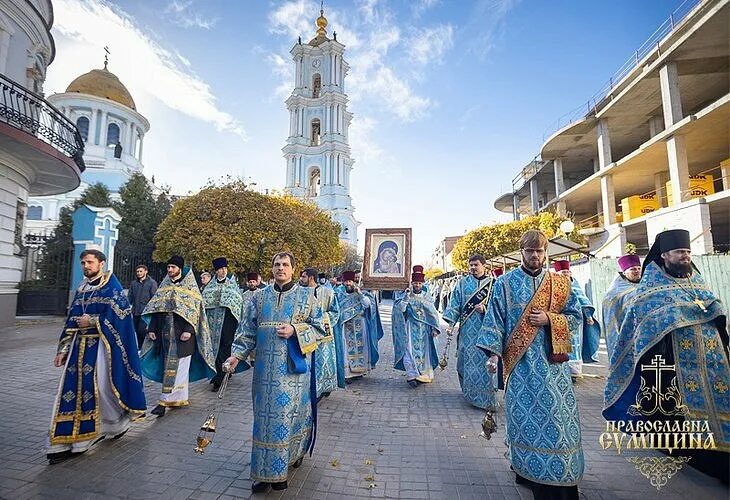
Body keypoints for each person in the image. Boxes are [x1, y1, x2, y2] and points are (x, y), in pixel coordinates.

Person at [603, 229, 729, 483]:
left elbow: (714, 306)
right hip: (673, 363)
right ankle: (696, 455)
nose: (685, 256)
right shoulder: (649, 289)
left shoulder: (697, 280)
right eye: (680, 252)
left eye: (688, 252)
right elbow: (641, 324)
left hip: (712, 359)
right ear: (664, 255)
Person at [478, 229, 584, 499]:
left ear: (545, 252)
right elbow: (494, 319)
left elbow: (576, 317)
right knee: (524, 421)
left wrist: (551, 320)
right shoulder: (504, 284)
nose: (535, 256)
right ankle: (526, 470)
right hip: (520, 366)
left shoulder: (559, 284)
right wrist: (492, 353)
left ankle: (561, 472)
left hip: (552, 365)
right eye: (529, 251)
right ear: (521, 253)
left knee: (558, 419)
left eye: (539, 251)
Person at [225, 253, 325, 493]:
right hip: (263, 372)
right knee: (263, 420)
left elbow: (321, 330)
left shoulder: (307, 296)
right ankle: (263, 472)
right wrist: (236, 355)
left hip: (293, 373)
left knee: (288, 418)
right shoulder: (258, 298)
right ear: (271, 269)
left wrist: (296, 329)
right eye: (276, 265)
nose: (281, 268)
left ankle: (284, 467)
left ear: (293, 269)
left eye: (285, 265)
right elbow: (246, 331)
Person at [47, 249, 146, 464]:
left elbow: (121, 317)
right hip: (78, 346)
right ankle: (68, 438)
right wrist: (62, 350)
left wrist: (93, 321)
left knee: (101, 388)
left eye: (90, 262)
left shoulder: (112, 286)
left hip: (102, 346)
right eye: (83, 263)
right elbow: (71, 318)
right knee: (70, 390)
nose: (85, 266)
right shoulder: (82, 288)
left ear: (101, 263)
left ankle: (114, 423)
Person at [140, 256, 215, 417]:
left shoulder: (190, 288)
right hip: (165, 335)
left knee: (177, 369)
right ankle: (179, 398)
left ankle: (163, 401)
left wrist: (189, 330)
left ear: (180, 268)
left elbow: (195, 312)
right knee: (173, 369)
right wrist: (152, 328)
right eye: (168, 267)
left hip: (183, 335)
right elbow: (156, 309)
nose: (169, 270)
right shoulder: (164, 286)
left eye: (173, 267)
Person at [442, 254, 497, 410]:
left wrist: (485, 308)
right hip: (467, 332)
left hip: (487, 332)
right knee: (465, 363)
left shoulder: (494, 284)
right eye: (471, 265)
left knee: (485, 365)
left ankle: (486, 399)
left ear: (484, 265)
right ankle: (470, 394)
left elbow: (500, 308)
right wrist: (451, 324)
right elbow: (455, 304)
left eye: (476, 265)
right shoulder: (462, 283)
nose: (473, 267)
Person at [552, 260, 600, 378]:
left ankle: (575, 372)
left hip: (576, 321)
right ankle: (562, 369)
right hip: (559, 321)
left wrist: (588, 315)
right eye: (564, 272)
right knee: (561, 345)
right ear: (558, 273)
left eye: (568, 271)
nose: (566, 274)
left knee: (576, 345)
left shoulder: (574, 283)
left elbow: (582, 300)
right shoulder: (553, 284)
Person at [392, 272, 440, 387]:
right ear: (412, 283)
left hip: (425, 328)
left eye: (419, 283)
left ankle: (423, 375)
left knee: (425, 353)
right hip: (410, 327)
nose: (417, 285)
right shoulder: (405, 295)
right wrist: (406, 298)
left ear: (422, 283)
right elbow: (400, 310)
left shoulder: (427, 296)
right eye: (415, 283)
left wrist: (435, 328)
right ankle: (411, 375)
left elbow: (433, 313)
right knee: (408, 350)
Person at [203, 257, 244, 391]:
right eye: (221, 269)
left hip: (228, 322)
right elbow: (204, 302)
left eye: (225, 269)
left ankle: (219, 378)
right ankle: (218, 373)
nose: (223, 271)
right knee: (214, 347)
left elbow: (238, 302)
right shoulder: (210, 286)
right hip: (213, 322)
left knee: (225, 348)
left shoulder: (232, 285)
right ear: (216, 271)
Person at [335, 271, 383, 381]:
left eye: (350, 281)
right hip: (346, 326)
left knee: (362, 347)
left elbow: (367, 305)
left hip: (360, 325)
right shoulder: (339, 294)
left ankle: (359, 371)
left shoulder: (361, 292)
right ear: (343, 282)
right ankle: (348, 374)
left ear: (353, 282)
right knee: (347, 349)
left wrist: (360, 294)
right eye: (346, 281)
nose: (348, 284)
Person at [301, 268, 342, 397]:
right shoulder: (298, 293)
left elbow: (335, 312)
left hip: (323, 334)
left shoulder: (328, 292)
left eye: (303, 277)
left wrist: (318, 320)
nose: (301, 279)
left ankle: (323, 387)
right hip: (304, 334)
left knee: (323, 361)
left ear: (311, 278)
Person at [601, 254, 641, 360]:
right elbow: (611, 319)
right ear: (624, 272)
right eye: (633, 269)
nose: (637, 271)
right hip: (626, 334)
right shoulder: (614, 293)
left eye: (638, 268)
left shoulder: (646, 286)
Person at [128, 264, 158, 350]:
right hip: (135, 312)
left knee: (143, 331)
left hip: (146, 313)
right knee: (137, 331)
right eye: (137, 271)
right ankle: (140, 349)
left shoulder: (152, 283)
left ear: (146, 271)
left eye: (141, 271)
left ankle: (147, 349)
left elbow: (154, 298)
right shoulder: (134, 283)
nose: (139, 273)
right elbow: (129, 297)